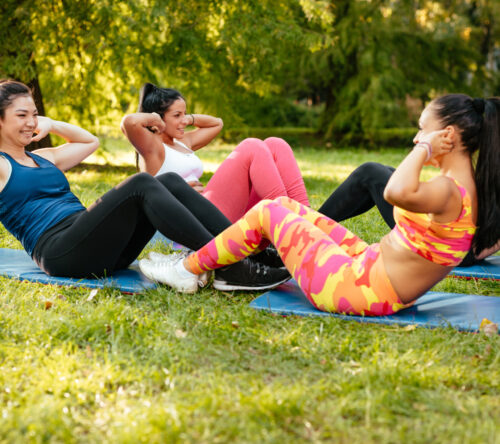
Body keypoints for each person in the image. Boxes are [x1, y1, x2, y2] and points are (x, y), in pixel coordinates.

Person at [139, 94, 500, 315]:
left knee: (268, 211)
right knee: (284, 205)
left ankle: (187, 270)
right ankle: (217, 262)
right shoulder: (463, 186)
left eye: (423, 129)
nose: (416, 137)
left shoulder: (449, 190)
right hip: (369, 268)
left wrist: (424, 148)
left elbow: (395, 192)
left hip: (360, 290)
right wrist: (427, 142)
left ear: (447, 136)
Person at [0, 80, 289, 293]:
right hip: (61, 253)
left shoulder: (43, 158)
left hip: (102, 248)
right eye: (21, 115)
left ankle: (247, 254)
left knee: (169, 181)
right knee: (142, 183)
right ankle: (231, 267)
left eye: (34, 114)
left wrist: (52, 122)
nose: (31, 122)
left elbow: (90, 142)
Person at [121, 83, 309, 223]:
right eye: (177, 116)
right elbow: (128, 122)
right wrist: (155, 118)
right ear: (159, 119)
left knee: (276, 144)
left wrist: (189, 118)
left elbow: (217, 123)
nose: (184, 121)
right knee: (251, 146)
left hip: (208, 206)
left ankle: (308, 220)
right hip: (195, 218)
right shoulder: (153, 148)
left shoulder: (183, 142)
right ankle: (292, 226)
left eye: (184, 114)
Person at [318, 161, 500, 265]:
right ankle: (310, 223)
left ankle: (307, 224)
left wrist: (474, 251)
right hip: (457, 241)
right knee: (386, 174)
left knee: (370, 173)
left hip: (449, 246)